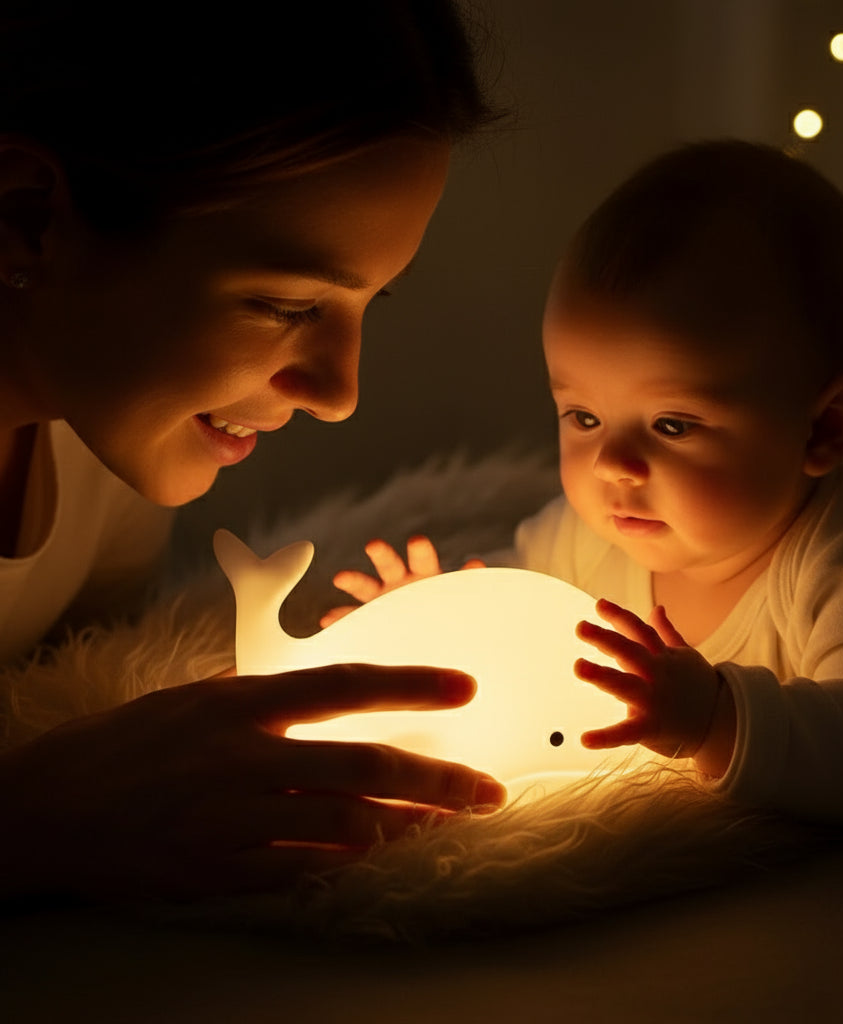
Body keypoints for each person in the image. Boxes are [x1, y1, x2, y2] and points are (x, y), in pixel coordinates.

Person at [330, 140, 843, 826]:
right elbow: (519, 617)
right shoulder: (586, 536)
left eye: (671, 425)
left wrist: (717, 718)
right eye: (584, 417)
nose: (612, 465)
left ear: (823, 430)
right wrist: (435, 619)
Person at [0, 1, 512, 903]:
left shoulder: (102, 456)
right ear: (29, 215)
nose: (340, 394)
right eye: (285, 307)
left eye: (369, 304)